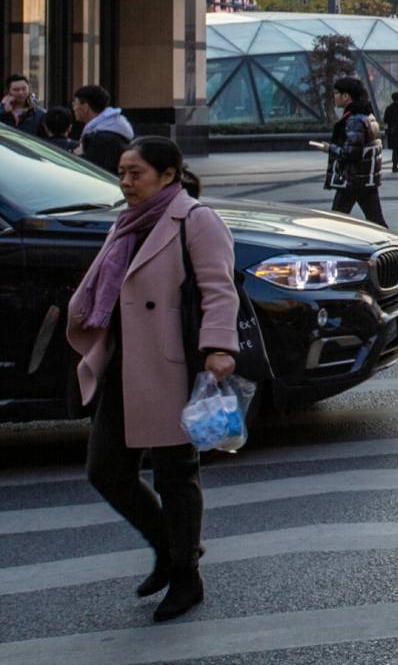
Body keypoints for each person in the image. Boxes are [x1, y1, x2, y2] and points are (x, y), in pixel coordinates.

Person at [67, 136, 237, 621]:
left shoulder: (196, 220)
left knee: (175, 473)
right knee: (106, 469)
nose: (125, 182)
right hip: (124, 363)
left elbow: (218, 289)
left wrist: (219, 347)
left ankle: (186, 576)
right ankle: (170, 548)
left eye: (135, 173)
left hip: (172, 363)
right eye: (121, 172)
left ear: (168, 175)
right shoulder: (127, 222)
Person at [318, 77, 386, 225]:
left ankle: (333, 248)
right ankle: (394, 245)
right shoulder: (366, 114)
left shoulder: (354, 119)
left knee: (336, 222)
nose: (334, 96)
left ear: (346, 96)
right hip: (364, 179)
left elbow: (351, 153)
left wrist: (329, 148)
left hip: (352, 180)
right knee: (376, 221)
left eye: (336, 93)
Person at [73, 85, 135, 174]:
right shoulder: (111, 129)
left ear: (85, 107)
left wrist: (79, 156)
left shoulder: (102, 139)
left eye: (75, 103)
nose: (74, 108)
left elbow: (94, 171)